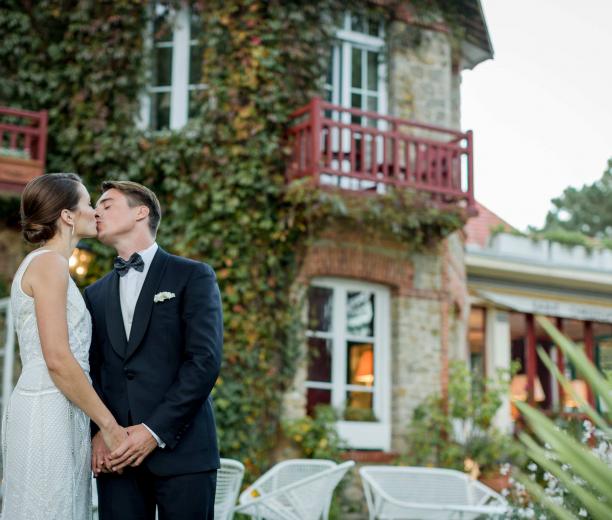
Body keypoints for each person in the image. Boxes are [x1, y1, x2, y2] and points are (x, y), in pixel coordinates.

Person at [85, 180, 223, 520]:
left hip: (184, 452)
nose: (95, 212)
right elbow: (92, 370)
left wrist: (154, 431)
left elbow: (203, 361)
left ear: (141, 212)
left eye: (106, 204)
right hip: (117, 459)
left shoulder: (193, 276)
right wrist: (99, 431)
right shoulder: (93, 294)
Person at [1, 173, 128, 520]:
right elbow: (57, 358)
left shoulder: (49, 265)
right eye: (88, 204)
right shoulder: (49, 264)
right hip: (48, 409)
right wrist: (109, 425)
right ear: (68, 216)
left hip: (61, 406)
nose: (94, 212)